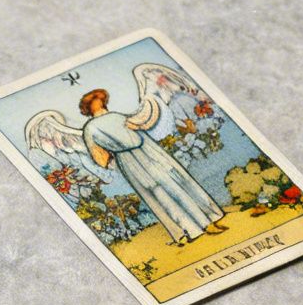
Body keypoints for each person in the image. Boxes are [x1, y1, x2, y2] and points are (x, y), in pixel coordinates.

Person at [75, 88, 228, 246]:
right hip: (134, 158)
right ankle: (194, 227)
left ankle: (204, 223)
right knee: (163, 194)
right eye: (96, 102)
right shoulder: (96, 125)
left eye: (99, 101)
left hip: (143, 153)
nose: (100, 105)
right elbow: (100, 155)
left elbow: (101, 156)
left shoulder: (103, 123)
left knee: (172, 187)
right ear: (91, 108)